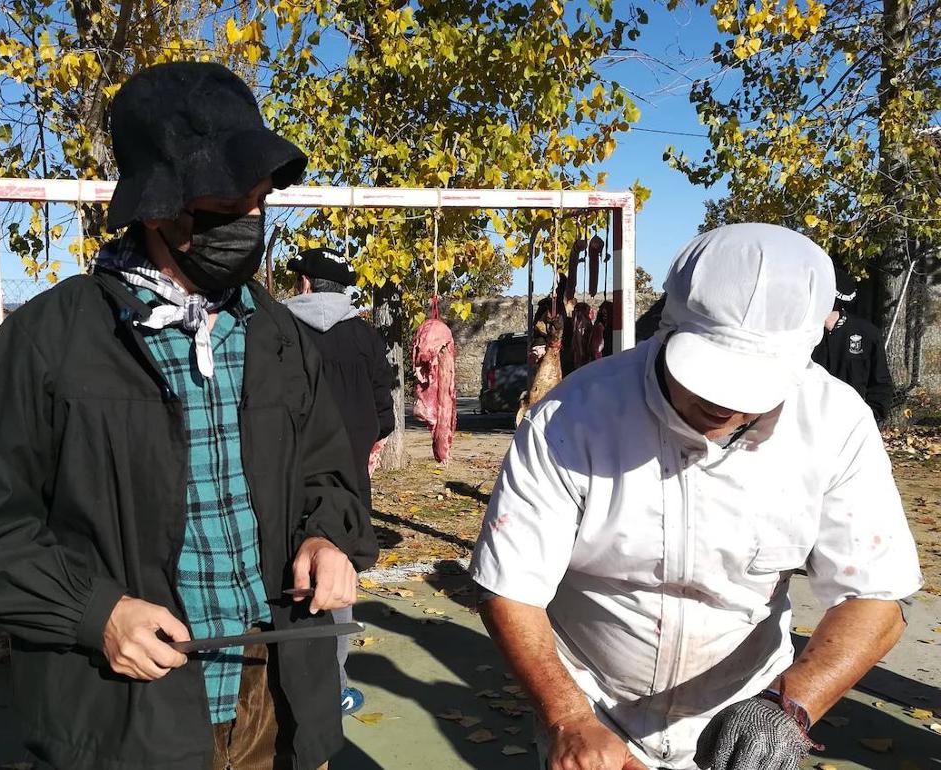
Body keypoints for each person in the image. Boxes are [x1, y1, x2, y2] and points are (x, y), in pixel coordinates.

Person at [0, 62, 376, 770]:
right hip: (126, 718)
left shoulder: (277, 335)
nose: (251, 225)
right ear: (161, 209)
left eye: (261, 203)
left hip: (276, 697)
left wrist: (327, 539)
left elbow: (329, 472)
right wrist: (95, 612)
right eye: (230, 206)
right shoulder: (51, 340)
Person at [472, 224, 921, 770]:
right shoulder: (573, 418)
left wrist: (787, 707)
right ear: (669, 327)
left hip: (744, 720)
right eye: (707, 375)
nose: (723, 404)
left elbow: (876, 595)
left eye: (751, 388)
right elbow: (509, 587)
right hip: (595, 713)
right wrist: (568, 718)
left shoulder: (836, 422)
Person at [284, 246, 394, 715]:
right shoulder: (365, 335)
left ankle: (290, 686)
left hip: (294, 474)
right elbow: (383, 407)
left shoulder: (278, 329)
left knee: (291, 567)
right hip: (346, 481)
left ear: (305, 283)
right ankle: (337, 681)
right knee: (337, 566)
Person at [811, 267, 893, 423]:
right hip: (808, 422)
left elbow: (880, 384)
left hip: (851, 423)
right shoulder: (801, 333)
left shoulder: (867, 334)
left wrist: (871, 417)